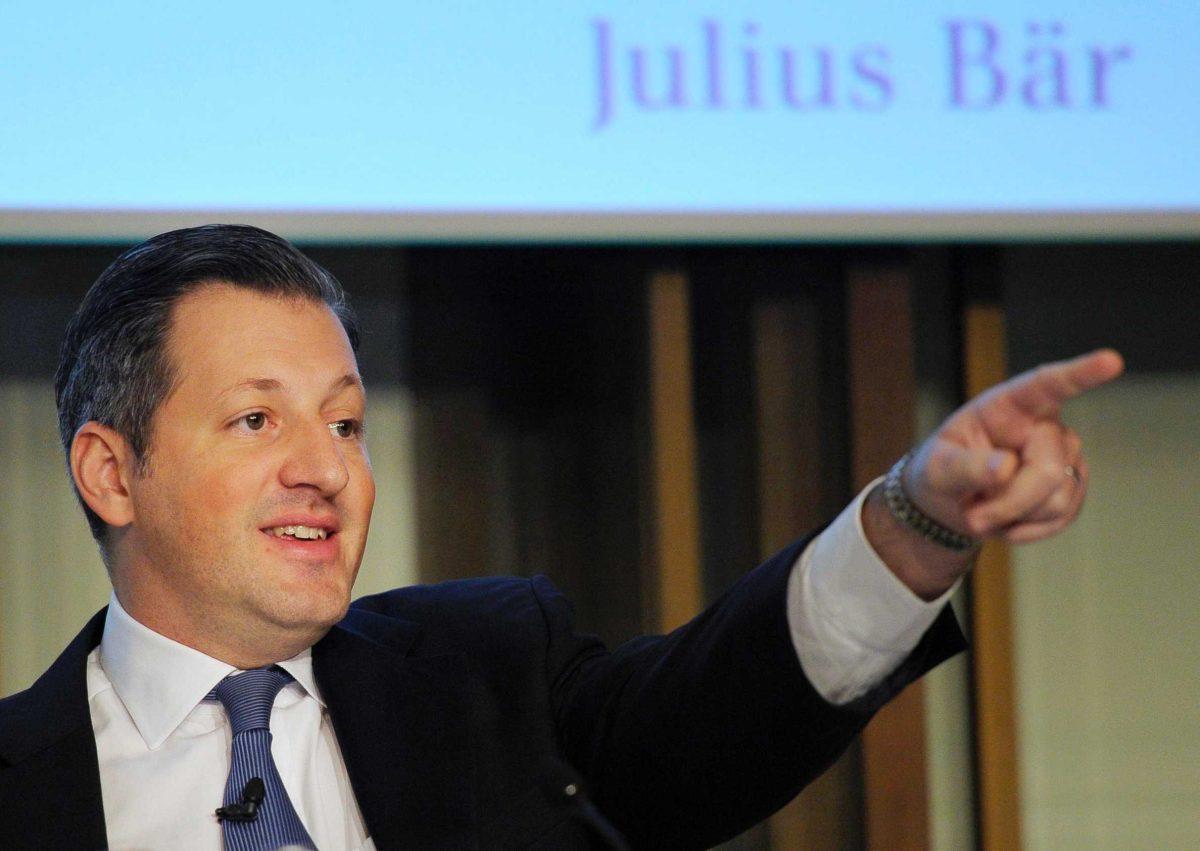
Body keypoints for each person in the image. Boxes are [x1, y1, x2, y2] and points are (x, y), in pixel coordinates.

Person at [0, 225, 1123, 850]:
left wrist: (920, 516)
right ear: (112, 471)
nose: (326, 465)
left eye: (345, 420)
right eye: (257, 418)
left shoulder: (486, 675)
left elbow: (723, 703)